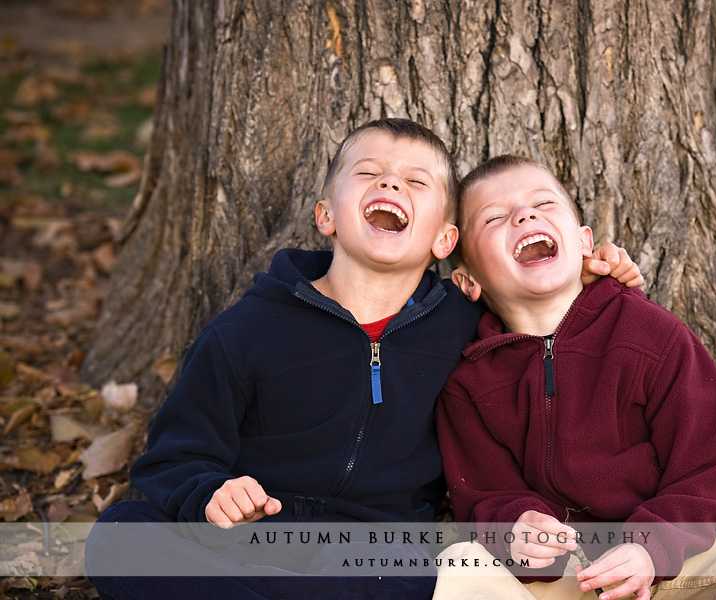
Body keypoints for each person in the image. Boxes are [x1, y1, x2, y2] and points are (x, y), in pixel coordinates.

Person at [85, 120, 643, 600]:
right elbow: (174, 458)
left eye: (416, 181)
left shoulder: (467, 324)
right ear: (326, 215)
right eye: (369, 172)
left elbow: (542, 335)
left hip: (377, 556)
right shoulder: (247, 330)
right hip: (250, 541)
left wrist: (595, 284)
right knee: (120, 534)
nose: (391, 181)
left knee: (441, 574)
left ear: (445, 240)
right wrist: (210, 493)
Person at [433, 155, 716, 600]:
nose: (524, 215)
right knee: (463, 564)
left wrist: (651, 549)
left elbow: (713, 470)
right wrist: (516, 528)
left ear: (586, 243)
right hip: (569, 581)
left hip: (678, 565)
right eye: (494, 217)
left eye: (544, 204)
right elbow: (485, 496)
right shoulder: (470, 386)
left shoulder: (650, 336)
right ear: (468, 281)